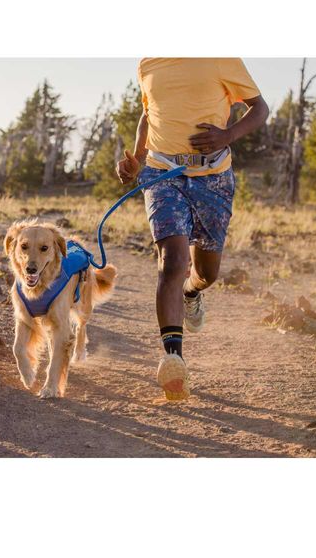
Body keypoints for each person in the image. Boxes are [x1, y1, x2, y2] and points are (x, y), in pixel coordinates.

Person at [116, 58, 269, 400]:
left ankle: (191, 292)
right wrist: (137, 159)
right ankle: (174, 362)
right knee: (171, 261)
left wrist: (228, 134)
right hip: (161, 174)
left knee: (207, 273)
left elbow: (260, 109)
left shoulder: (220, 57)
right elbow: (148, 113)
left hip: (213, 178)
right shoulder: (149, 63)